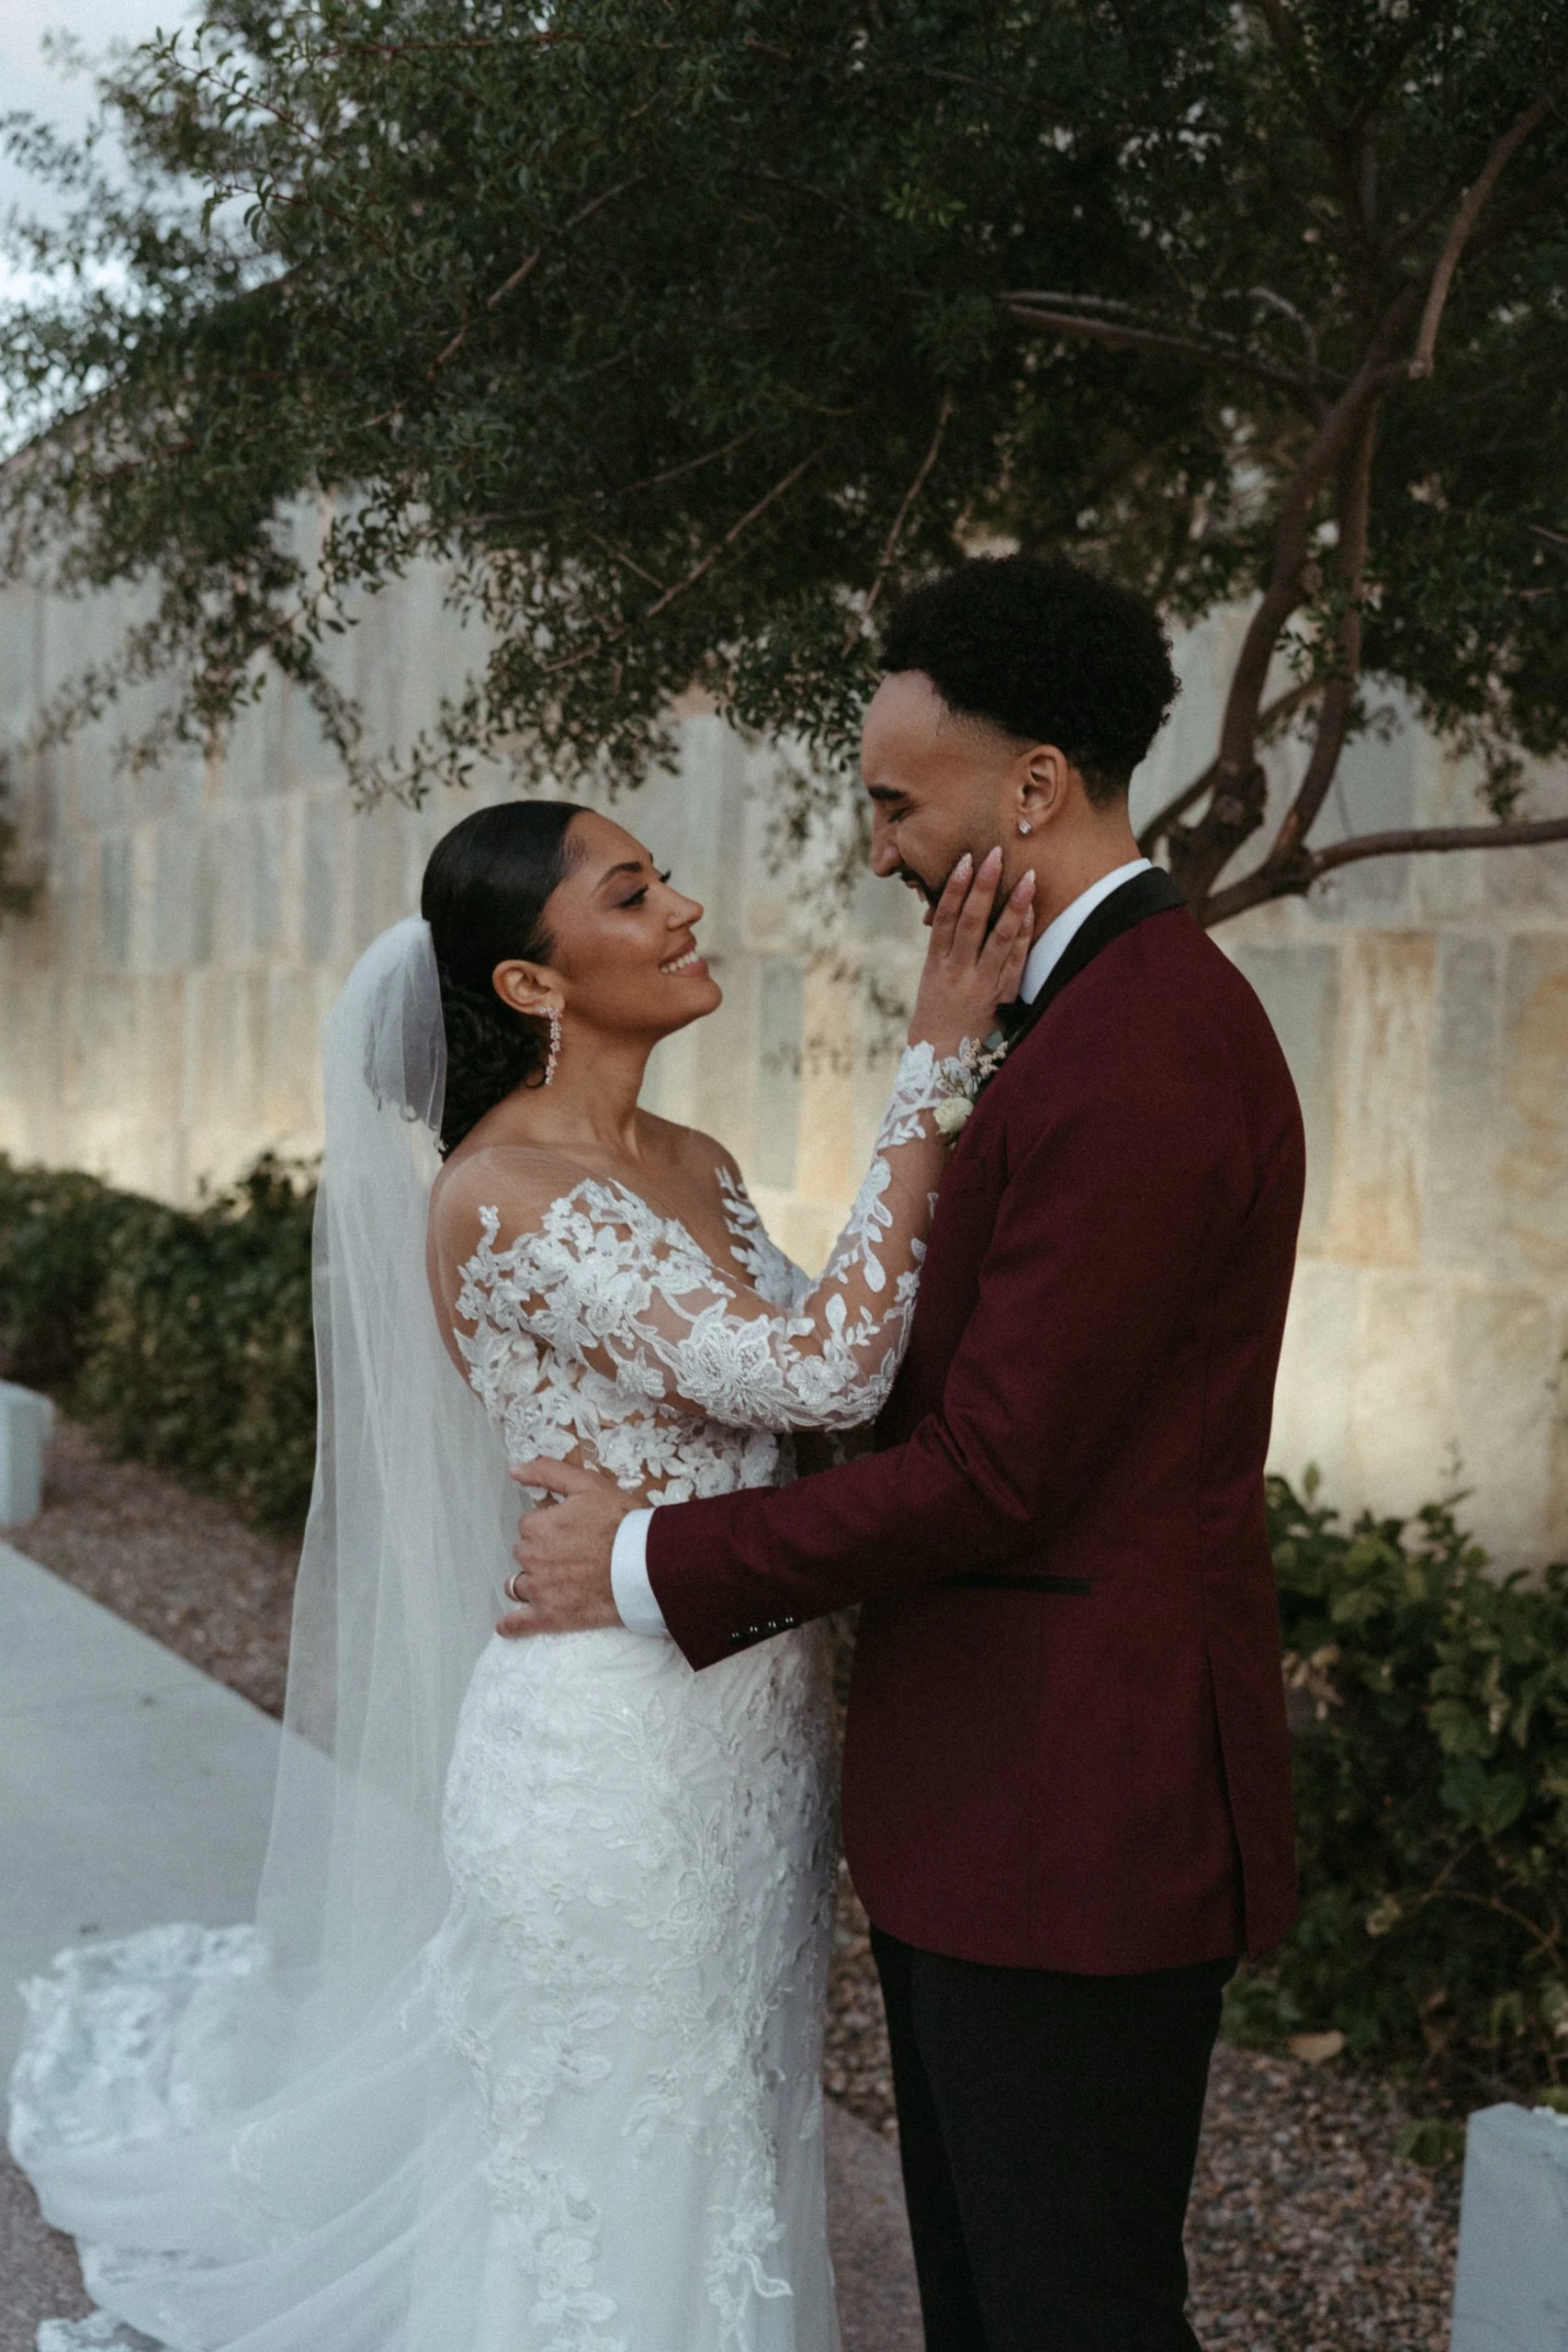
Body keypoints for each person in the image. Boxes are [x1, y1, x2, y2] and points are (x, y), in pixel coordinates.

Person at [8, 795, 1029, 2352]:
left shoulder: (698, 1156)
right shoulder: (504, 1193)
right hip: (607, 1747)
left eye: (664, 877)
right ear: (531, 985)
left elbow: (839, 1386)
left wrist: (689, 1494)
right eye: (632, 892)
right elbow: (821, 1375)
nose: (684, 906)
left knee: (721, 2121)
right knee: (605, 2139)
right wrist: (933, 1062)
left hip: (750, 1732)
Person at [500, 555, 1307, 2352]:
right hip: (994, 1799)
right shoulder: (1057, 1017)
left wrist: (644, 1560)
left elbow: (993, 1468)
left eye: (893, 800)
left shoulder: (1150, 1042)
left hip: (1075, 1804)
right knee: (991, 2301)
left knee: (1066, 2308)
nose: (873, 848)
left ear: (1031, 788)